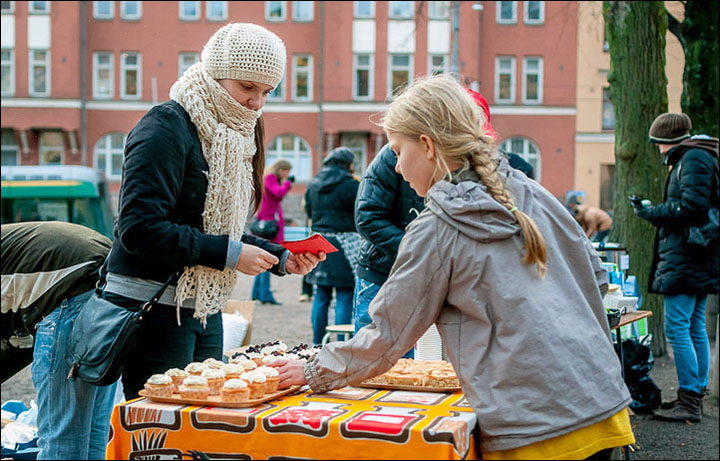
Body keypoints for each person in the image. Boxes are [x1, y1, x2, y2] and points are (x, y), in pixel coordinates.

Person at [271, 75, 634, 459]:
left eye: (397, 151)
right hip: (599, 403)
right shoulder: (533, 192)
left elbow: (387, 335)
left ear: (427, 146)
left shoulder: (437, 227)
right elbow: (596, 278)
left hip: (535, 429)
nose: (395, 167)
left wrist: (313, 371)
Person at [102, 23, 323, 400]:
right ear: (214, 75)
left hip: (204, 308)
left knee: (206, 423)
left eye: (267, 91)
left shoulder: (235, 132)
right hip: (151, 308)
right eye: (247, 87)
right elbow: (139, 229)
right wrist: (232, 254)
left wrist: (280, 257)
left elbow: (214, 227)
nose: (257, 102)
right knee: (162, 431)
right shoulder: (165, 126)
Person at [631, 113, 719, 423]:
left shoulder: (692, 159)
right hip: (698, 256)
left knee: (678, 327)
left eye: (657, 144)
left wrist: (652, 212)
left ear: (666, 141)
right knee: (694, 326)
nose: (657, 150)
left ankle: (690, 399)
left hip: (687, 257)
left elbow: (692, 207)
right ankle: (695, 393)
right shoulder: (700, 156)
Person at [1, 221, 114, 460]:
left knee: (62, 444)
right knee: (92, 437)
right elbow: (19, 340)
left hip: (68, 286)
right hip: (107, 281)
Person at [304, 147, 361, 345]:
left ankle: (318, 342)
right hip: (344, 244)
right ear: (348, 164)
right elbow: (360, 211)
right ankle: (341, 343)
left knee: (321, 294)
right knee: (345, 294)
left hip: (318, 242)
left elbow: (309, 212)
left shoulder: (313, 183)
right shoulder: (350, 184)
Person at [251, 159, 294, 305]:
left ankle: (257, 293)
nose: (287, 174)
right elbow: (278, 193)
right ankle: (264, 294)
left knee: (264, 256)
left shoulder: (269, 178)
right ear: (280, 169)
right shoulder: (270, 178)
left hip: (270, 220)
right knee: (269, 257)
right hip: (269, 222)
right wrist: (287, 183)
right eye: (286, 170)